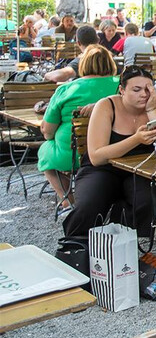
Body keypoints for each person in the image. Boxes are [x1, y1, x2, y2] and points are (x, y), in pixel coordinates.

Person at [63, 66, 156, 238]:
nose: (144, 94)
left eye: (148, 89)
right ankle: (76, 246)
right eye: (136, 89)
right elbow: (97, 157)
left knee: (151, 199)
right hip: (103, 168)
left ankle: (121, 241)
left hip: (140, 168)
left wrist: (151, 110)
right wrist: (135, 139)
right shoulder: (107, 106)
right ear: (122, 90)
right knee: (88, 205)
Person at [38, 45, 120, 213]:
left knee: (45, 151)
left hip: (72, 155)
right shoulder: (121, 85)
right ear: (110, 63)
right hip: (114, 149)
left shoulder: (66, 89)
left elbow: (47, 131)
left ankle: (68, 200)